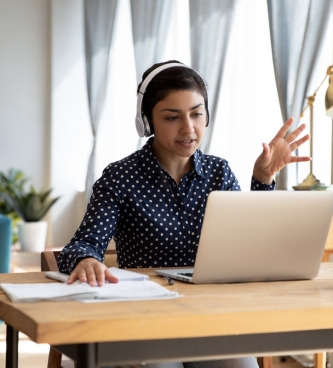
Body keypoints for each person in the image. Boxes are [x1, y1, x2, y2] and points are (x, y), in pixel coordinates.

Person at [57, 60, 310, 368]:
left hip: (211, 317)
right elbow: (83, 244)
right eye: (172, 117)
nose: (188, 128)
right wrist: (86, 259)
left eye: (196, 113)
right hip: (145, 320)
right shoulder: (120, 176)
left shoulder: (219, 172)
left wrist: (263, 179)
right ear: (147, 121)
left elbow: (249, 246)